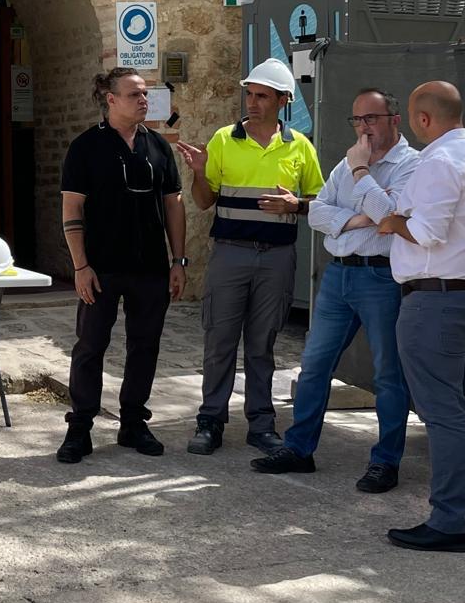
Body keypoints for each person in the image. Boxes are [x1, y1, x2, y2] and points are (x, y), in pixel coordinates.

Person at [250, 88, 418, 491]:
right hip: (338, 275)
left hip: (381, 277)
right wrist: (358, 217)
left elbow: (389, 217)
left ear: (395, 120)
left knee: (388, 374)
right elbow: (317, 214)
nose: (363, 127)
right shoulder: (347, 162)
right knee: (314, 366)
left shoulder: (411, 165)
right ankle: (299, 449)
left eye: (371, 118)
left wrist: (361, 174)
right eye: (357, 119)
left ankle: (386, 462)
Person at [376, 81, 465, 553]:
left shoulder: (439, 162)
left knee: (444, 413)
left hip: (436, 301)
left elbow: (426, 231)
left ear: (423, 119)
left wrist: (393, 221)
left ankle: (449, 521)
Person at [177, 58, 324, 456]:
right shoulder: (224, 139)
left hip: (278, 258)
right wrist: (199, 172)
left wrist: (295, 205)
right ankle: (210, 421)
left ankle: (261, 424)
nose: (253, 102)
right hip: (230, 255)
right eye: (250, 94)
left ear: (283, 100)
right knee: (219, 341)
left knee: (263, 344)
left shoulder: (300, 146)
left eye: (262, 96)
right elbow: (204, 202)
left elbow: (320, 202)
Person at [56, 68, 188, 464]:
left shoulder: (158, 146)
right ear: (110, 99)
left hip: (150, 267)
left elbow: (173, 205)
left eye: (145, 93)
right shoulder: (86, 147)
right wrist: (80, 266)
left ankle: (133, 422)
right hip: (101, 268)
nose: (143, 100)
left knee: (145, 346)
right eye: (134, 94)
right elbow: (72, 208)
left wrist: (178, 260)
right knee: (90, 346)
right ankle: (80, 427)